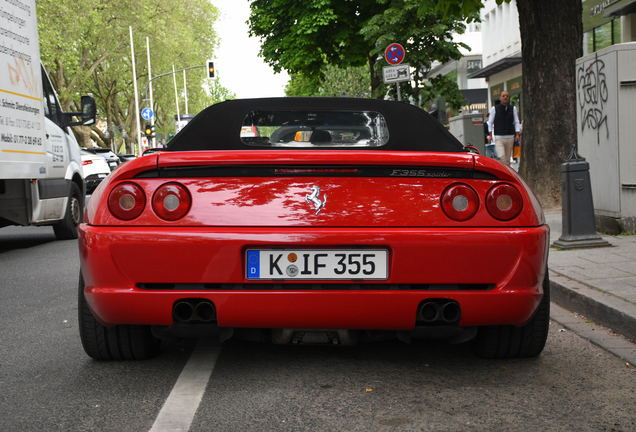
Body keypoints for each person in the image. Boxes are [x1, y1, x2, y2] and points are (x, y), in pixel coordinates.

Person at [487, 91, 520, 166]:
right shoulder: (494, 109)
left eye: (507, 96)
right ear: (500, 98)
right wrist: (490, 135)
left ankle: (507, 174)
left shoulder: (513, 108)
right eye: (503, 96)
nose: (505, 97)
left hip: (510, 137)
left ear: (508, 98)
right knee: (501, 156)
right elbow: (490, 122)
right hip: (499, 137)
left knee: (507, 159)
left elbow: (516, 121)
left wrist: (517, 134)